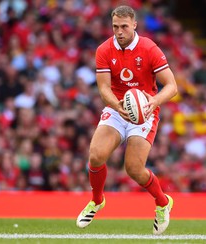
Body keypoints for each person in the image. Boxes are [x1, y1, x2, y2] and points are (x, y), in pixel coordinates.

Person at [76, 5, 177, 235]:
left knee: (133, 169)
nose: (119, 31)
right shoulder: (104, 49)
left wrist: (153, 101)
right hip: (117, 107)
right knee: (95, 155)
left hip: (144, 112)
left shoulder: (149, 48)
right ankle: (97, 199)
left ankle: (162, 203)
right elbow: (103, 89)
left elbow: (172, 86)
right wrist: (116, 105)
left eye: (123, 26)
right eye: (115, 27)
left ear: (134, 25)